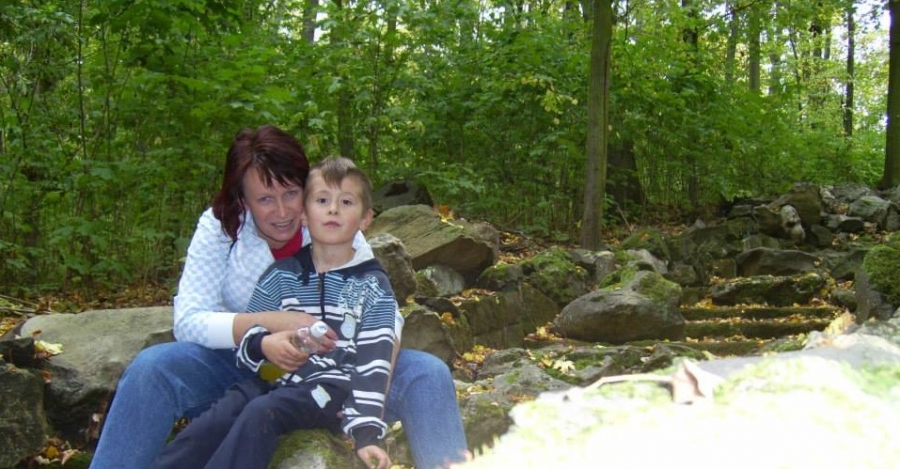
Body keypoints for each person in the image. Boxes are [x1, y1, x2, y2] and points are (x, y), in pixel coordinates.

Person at [89, 125, 469, 469]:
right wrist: (272, 329)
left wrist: (361, 406)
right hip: (243, 362)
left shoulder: (333, 225)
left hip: (335, 368)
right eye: (265, 199)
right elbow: (188, 321)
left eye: (291, 193)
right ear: (243, 199)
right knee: (152, 367)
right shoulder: (220, 226)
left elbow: (384, 317)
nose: (283, 211)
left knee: (427, 372)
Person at [150, 156, 397, 469]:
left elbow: (376, 360)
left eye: (346, 202)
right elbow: (251, 340)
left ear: (365, 219)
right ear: (304, 214)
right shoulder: (280, 275)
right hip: (273, 378)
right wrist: (264, 345)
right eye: (322, 200)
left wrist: (366, 432)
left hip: (329, 390)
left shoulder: (372, 284)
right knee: (219, 417)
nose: (333, 210)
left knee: (261, 413)